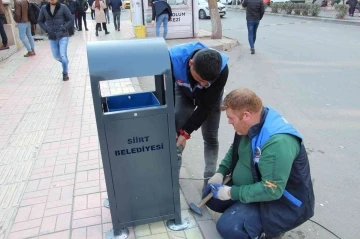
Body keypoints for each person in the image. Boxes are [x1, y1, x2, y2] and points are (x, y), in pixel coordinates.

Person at [203, 88, 315, 239]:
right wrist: (221, 172)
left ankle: (267, 231)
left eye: (231, 118)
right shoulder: (251, 124)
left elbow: (271, 190)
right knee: (210, 194)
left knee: (229, 228)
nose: (229, 122)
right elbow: (235, 149)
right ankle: (243, 211)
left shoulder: (278, 142)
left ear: (246, 115)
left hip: (277, 202)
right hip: (254, 185)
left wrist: (231, 193)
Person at [169, 42, 229, 189]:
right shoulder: (173, 59)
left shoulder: (222, 69)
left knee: (210, 137)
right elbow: (168, 95)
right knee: (175, 132)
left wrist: (187, 132)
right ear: (190, 64)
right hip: (184, 89)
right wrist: (180, 131)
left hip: (210, 98)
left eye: (206, 82)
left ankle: (209, 183)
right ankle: (172, 176)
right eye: (200, 79)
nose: (202, 84)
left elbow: (205, 106)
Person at [38, 0, 74, 81]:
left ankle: (65, 73)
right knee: (56, 56)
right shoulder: (44, 8)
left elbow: (71, 19)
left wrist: (64, 28)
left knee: (62, 55)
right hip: (52, 36)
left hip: (63, 35)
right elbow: (40, 21)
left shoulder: (63, 7)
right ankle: (65, 63)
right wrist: (47, 29)